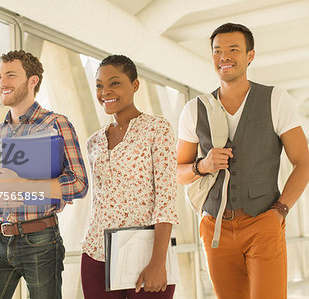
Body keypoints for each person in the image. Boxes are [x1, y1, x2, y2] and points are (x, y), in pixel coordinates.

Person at [177, 23, 309, 299]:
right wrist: (202, 166)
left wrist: (280, 212)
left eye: (233, 49)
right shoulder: (194, 109)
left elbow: (303, 162)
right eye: (217, 51)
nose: (224, 56)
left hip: (264, 221)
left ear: (250, 56)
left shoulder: (275, 99)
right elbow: (178, 172)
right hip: (215, 227)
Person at [0, 50, 88, 299]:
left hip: (41, 241)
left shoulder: (56, 124)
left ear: (32, 80)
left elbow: (79, 183)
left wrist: (24, 186)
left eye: (11, 75)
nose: (2, 82)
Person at [81, 55, 178, 298]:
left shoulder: (157, 128)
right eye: (99, 85)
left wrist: (158, 262)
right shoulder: (94, 142)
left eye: (115, 83)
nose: (105, 92)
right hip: (96, 254)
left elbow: (166, 199)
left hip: (146, 252)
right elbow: (97, 202)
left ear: (135, 85)